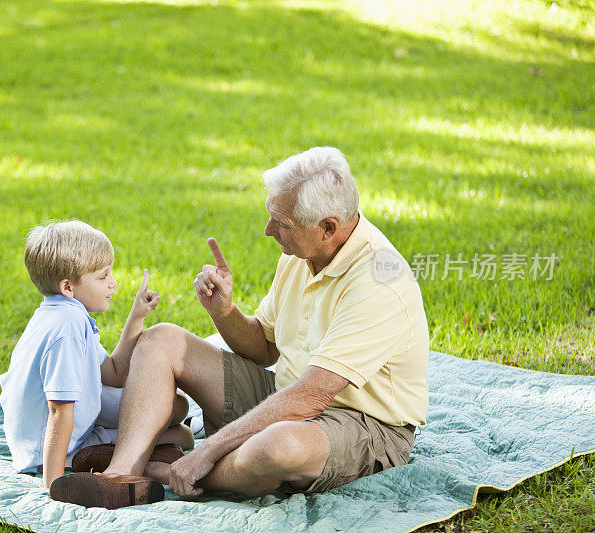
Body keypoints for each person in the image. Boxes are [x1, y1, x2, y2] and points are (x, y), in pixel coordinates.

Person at [51, 147, 429, 508]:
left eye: (281, 223)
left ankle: (165, 471)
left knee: (278, 447)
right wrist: (224, 311)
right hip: (285, 393)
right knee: (161, 338)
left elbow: (314, 395)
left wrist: (208, 450)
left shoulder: (379, 282)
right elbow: (264, 348)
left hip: (364, 425)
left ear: (328, 227)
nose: (268, 230)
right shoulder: (303, 254)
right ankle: (121, 478)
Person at [0, 220, 194, 496]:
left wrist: (137, 315)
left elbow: (113, 373)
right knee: (182, 436)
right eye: (103, 276)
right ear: (68, 287)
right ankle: (103, 462)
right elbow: (59, 409)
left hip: (70, 418)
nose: (113, 283)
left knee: (178, 407)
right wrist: (54, 485)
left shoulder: (63, 313)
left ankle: (129, 452)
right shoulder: (67, 328)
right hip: (53, 446)